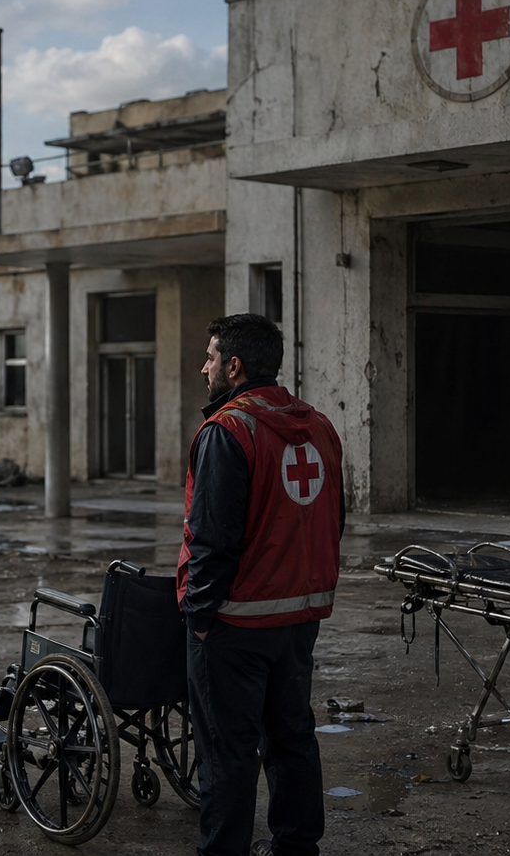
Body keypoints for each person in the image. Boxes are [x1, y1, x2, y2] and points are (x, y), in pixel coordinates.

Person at [179, 314, 343, 856]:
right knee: (293, 738)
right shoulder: (320, 426)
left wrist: (199, 619)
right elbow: (333, 520)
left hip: (235, 623)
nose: (204, 367)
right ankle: (297, 847)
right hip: (298, 618)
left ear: (234, 365)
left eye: (209, 357)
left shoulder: (228, 431)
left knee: (227, 754)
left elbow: (212, 540)